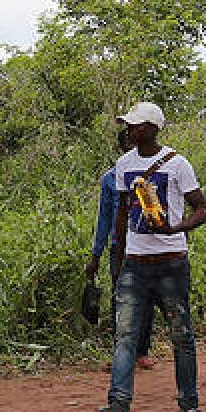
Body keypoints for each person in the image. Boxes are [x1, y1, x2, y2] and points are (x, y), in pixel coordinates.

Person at [92, 102, 206, 412]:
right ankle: (118, 405)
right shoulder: (122, 165)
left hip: (171, 262)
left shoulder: (178, 164)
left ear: (153, 128)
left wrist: (175, 228)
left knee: (181, 335)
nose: (130, 130)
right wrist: (118, 258)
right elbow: (120, 214)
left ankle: (189, 403)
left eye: (136, 125)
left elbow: (202, 209)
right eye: (129, 125)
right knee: (125, 335)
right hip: (135, 262)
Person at [86, 128, 154, 368]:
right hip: (119, 246)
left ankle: (142, 351)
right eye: (128, 140)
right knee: (120, 299)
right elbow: (104, 218)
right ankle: (122, 354)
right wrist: (96, 254)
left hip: (145, 244)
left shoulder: (150, 175)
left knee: (145, 297)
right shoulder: (110, 179)